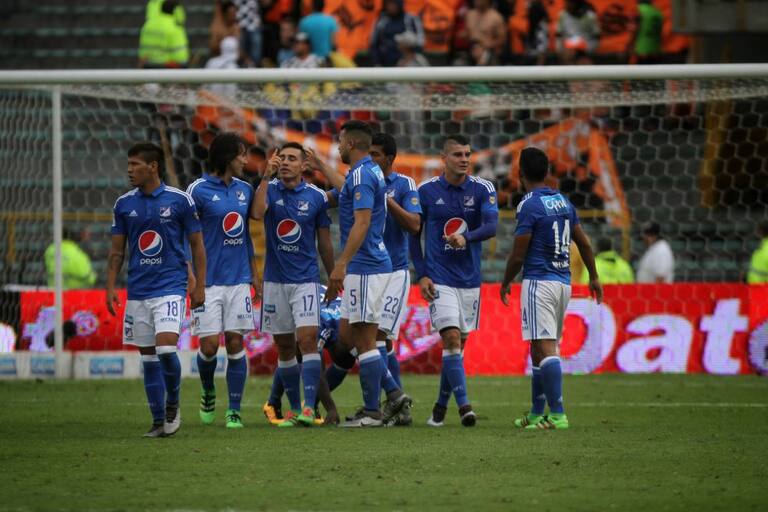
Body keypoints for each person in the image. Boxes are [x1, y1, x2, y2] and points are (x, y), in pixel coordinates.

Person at [309, 120, 411, 427]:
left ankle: (372, 411)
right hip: (366, 266)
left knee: (365, 341)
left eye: (340, 142)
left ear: (351, 144)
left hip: (366, 266)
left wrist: (341, 264)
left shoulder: (363, 174)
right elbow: (347, 189)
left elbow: (362, 223)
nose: (338, 147)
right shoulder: (365, 172)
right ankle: (394, 393)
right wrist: (321, 166)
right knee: (347, 335)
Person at [106, 142, 206, 437]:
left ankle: (173, 402)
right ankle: (157, 420)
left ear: (153, 166)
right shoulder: (123, 204)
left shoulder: (180, 200)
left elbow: (197, 244)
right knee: (148, 358)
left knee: (165, 349)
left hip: (171, 286)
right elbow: (117, 252)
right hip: (138, 289)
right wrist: (110, 286)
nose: (129, 170)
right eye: (128, 164)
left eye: (135, 164)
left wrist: (200, 284)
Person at [500, 146, 602, 430]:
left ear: (520, 173)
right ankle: (536, 413)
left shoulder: (529, 204)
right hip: (562, 283)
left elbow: (518, 255)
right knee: (538, 347)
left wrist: (506, 281)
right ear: (547, 172)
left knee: (546, 347)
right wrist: (594, 276)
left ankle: (558, 414)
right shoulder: (563, 202)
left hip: (539, 282)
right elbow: (584, 243)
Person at [410, 135, 499, 427]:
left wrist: (466, 237)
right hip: (439, 278)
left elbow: (491, 226)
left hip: (469, 280)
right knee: (450, 339)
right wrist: (422, 274)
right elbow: (414, 236)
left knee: (457, 348)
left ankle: (439, 408)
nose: (464, 159)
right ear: (443, 158)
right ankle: (465, 408)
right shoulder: (426, 191)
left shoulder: (483, 188)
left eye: (467, 154)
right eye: (458, 154)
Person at [250, 142, 335, 427]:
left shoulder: (316, 196)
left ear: (303, 165)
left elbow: (325, 242)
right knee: (285, 347)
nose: (285, 162)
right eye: (282, 158)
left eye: (291, 158)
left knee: (308, 340)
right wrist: (265, 176)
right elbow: (257, 214)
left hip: (305, 281)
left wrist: (333, 275)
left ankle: (310, 408)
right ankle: (295, 410)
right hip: (275, 281)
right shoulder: (269, 189)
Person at [186, 133, 258, 429]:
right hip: (209, 282)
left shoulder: (245, 189)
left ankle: (234, 410)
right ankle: (207, 390)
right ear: (227, 157)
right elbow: (186, 238)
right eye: (242, 155)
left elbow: (245, 235)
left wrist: (254, 275)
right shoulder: (197, 190)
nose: (245, 160)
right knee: (208, 347)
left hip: (238, 279)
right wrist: (192, 278)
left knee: (235, 341)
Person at [263, 285, 343, 426]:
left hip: (314, 294)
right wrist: (331, 409)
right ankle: (274, 402)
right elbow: (317, 369)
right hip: (302, 301)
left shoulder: (346, 323)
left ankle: (311, 404)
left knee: (336, 359)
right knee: (296, 352)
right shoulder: (326, 325)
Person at [370, 0, 425, 67]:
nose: (391, 7)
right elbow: (374, 44)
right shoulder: (381, 21)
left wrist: (409, 56)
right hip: (386, 63)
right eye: (388, 4)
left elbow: (420, 42)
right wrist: (377, 62)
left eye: (393, 4)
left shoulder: (410, 19)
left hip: (409, 63)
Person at [138, 0, 190, 68]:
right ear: (176, 11)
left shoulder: (147, 26)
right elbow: (180, 57)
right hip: (167, 69)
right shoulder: (175, 29)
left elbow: (142, 55)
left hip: (148, 68)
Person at [631, 0, 663, 65]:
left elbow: (633, 29)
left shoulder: (638, 10)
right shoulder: (656, 11)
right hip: (655, 50)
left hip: (640, 50)